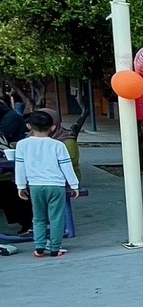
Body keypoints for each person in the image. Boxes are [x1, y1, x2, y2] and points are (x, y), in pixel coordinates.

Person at [14, 111, 80, 258]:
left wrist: (21, 186)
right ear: (52, 127)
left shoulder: (22, 145)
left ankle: (39, 247)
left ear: (29, 126)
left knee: (38, 218)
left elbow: (20, 167)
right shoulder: (58, 145)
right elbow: (66, 166)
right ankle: (55, 248)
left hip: (35, 186)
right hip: (56, 185)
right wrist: (74, 185)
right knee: (56, 217)